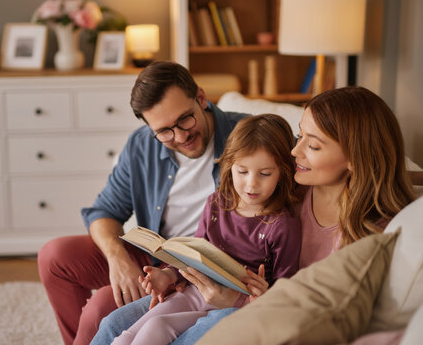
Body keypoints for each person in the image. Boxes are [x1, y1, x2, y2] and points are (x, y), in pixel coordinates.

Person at [92, 86, 416, 344]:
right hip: (209, 294)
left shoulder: (368, 237)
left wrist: (234, 301)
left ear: (356, 159)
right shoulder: (290, 186)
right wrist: (176, 274)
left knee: (174, 329)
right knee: (114, 323)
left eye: (312, 145)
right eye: (299, 135)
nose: (294, 151)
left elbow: (313, 316)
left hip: (250, 314)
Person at [36, 61, 248, 345]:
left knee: (102, 307)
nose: (181, 136)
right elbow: (104, 212)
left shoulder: (247, 136)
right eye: (164, 131)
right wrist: (118, 259)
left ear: (201, 97)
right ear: (150, 127)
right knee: (54, 256)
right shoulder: (141, 145)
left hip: (204, 267)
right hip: (155, 255)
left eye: (186, 119)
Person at [111, 114, 302, 345]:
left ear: (282, 172)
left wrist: (265, 293)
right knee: (132, 335)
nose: (251, 184)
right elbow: (194, 253)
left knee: (159, 328)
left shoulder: (282, 224)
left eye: (265, 174)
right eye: (242, 171)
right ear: (230, 165)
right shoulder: (217, 203)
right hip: (196, 290)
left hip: (238, 306)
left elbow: (286, 291)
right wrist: (167, 275)